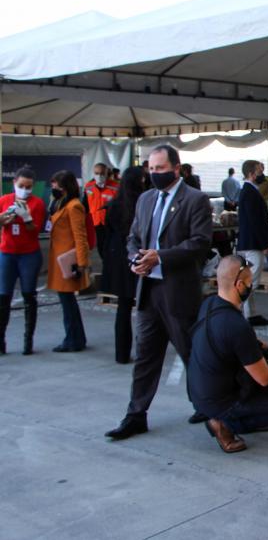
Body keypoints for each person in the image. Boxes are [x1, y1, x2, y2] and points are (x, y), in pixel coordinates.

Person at [105, 145, 213, 441]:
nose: (154, 174)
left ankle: (206, 405)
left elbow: (200, 243)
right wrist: (135, 260)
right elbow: (133, 238)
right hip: (148, 290)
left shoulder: (195, 200)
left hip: (177, 291)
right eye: (150, 170)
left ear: (176, 168)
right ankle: (135, 414)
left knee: (191, 352)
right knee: (146, 356)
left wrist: (161, 256)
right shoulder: (145, 199)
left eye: (160, 169)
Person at [188, 255, 268, 453]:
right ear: (239, 285)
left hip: (200, 394)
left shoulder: (210, 304)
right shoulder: (236, 325)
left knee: (265, 362)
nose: (251, 287)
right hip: (221, 402)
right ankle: (225, 424)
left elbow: (235, 345)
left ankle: (234, 416)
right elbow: (264, 378)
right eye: (249, 283)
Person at [101, 167, 149, 364]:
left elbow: (107, 231)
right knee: (146, 306)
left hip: (118, 258)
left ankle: (121, 354)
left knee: (123, 305)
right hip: (140, 255)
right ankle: (146, 351)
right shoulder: (144, 204)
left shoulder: (113, 205)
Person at [0, 168, 46, 355]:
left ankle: (28, 340)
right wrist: (5, 219)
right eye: (21, 186)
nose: (25, 190)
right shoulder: (4, 200)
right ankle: (1, 340)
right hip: (7, 253)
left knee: (29, 296)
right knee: (3, 297)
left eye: (28, 187)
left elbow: (36, 230)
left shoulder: (37, 203)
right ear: (14, 184)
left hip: (29, 254)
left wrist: (26, 217)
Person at [47, 170, 91, 353]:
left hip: (67, 262)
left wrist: (81, 264)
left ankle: (73, 339)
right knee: (67, 302)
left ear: (64, 187)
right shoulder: (60, 204)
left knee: (68, 302)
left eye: (55, 184)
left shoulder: (73, 206)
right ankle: (75, 337)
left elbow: (80, 237)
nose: (53, 187)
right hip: (60, 260)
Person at [236, 160, 268, 326]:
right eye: (259, 171)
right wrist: (265, 243)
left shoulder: (250, 191)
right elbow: (255, 221)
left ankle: (250, 314)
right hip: (252, 243)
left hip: (250, 242)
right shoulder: (249, 193)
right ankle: (240, 311)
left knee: (250, 279)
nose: (262, 174)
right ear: (251, 173)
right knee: (251, 281)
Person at [84, 163, 119, 253]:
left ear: (107, 173)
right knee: (100, 246)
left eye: (102, 173)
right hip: (95, 221)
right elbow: (85, 204)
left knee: (111, 246)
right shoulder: (89, 187)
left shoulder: (115, 187)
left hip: (110, 222)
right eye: (96, 173)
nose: (99, 176)